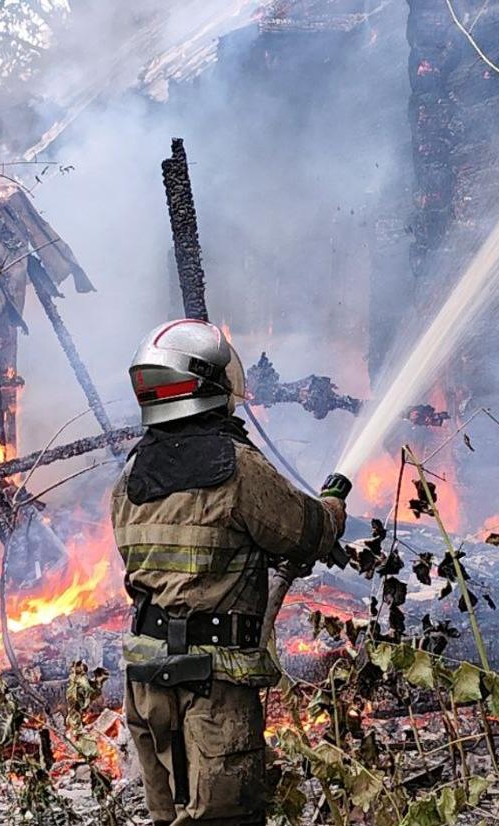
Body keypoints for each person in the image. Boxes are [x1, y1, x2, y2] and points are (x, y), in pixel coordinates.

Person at [112, 318, 346, 825]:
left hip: (147, 685)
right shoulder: (236, 469)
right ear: (208, 385)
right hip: (211, 689)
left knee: (168, 817)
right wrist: (333, 505)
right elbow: (307, 533)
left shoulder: (129, 478)